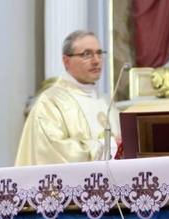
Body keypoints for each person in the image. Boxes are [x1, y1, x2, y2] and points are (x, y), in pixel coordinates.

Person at [15, 30, 121, 166]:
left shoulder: (107, 103)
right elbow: (53, 150)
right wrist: (105, 146)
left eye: (99, 53)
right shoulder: (51, 102)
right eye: (87, 54)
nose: (96, 61)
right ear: (66, 61)